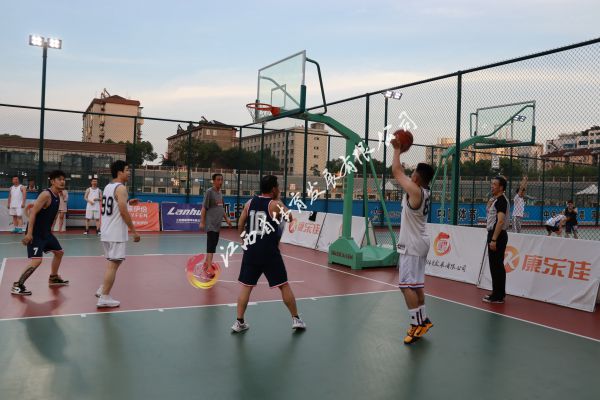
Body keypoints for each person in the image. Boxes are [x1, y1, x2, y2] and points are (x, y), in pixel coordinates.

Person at [232, 175, 305, 333]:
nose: (279, 188)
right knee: (283, 285)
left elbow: (240, 223)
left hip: (251, 251)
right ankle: (296, 319)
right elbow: (290, 217)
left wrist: (244, 241)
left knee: (246, 287)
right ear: (273, 189)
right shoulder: (274, 204)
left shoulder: (249, 203)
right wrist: (279, 201)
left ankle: (239, 322)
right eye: (277, 186)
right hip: (269, 252)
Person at [391, 141, 435, 344]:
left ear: (417, 177)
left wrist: (396, 149)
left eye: (414, 172)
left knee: (405, 286)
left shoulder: (415, 192)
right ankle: (423, 320)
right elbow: (401, 173)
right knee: (416, 285)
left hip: (412, 245)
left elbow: (396, 172)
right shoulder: (424, 191)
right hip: (421, 242)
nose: (411, 175)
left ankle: (416, 325)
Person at [11, 170, 69, 296]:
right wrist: (29, 234)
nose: (62, 181)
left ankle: (53, 277)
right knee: (37, 261)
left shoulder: (58, 196)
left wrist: (50, 229)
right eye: (59, 179)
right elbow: (32, 213)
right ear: (52, 181)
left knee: (59, 253)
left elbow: (53, 215)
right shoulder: (46, 195)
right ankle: (17, 285)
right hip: (36, 233)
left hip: (46, 233)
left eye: (63, 179)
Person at [96, 161, 140, 308]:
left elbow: (116, 204)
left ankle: (103, 288)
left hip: (106, 231)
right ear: (120, 172)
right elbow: (122, 211)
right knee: (113, 265)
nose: (129, 172)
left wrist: (128, 202)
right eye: (127, 170)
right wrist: (134, 231)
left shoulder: (108, 186)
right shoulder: (121, 188)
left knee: (113, 263)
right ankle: (104, 297)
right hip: (115, 233)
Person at [483, 176, 510, 304]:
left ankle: (498, 296)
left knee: (497, 266)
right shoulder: (496, 200)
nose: (492, 186)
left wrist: (494, 239)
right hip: (495, 234)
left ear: (501, 187)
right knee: (495, 266)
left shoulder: (501, 201)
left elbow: (500, 221)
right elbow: (491, 215)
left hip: (497, 235)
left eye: (494, 184)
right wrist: (489, 205)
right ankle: (497, 292)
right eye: (491, 183)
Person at [199, 173, 232, 278]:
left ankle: (206, 263)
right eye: (218, 180)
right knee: (211, 245)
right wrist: (202, 222)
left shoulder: (220, 193)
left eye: (221, 180)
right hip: (210, 224)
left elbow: (221, 208)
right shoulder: (209, 192)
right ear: (213, 181)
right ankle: (209, 268)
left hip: (217, 225)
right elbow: (204, 208)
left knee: (213, 245)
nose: (220, 182)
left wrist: (227, 219)